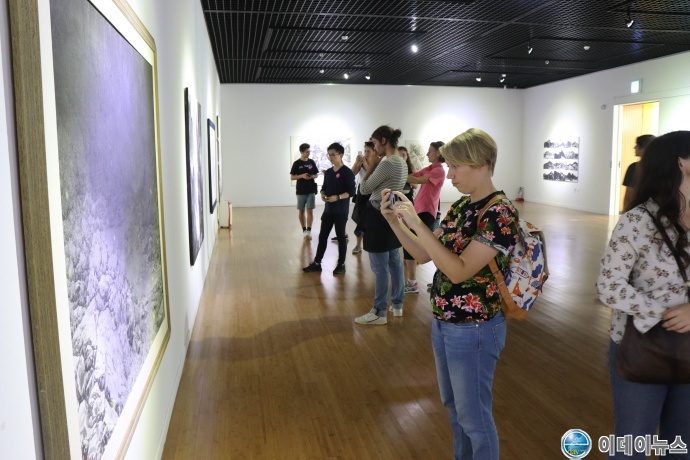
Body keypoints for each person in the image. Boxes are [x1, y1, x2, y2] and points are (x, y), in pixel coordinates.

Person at [381, 128, 519, 459]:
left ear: (482, 163)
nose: (450, 174)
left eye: (456, 166)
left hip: (475, 327)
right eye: (449, 165)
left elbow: (458, 270)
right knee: (455, 407)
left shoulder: (500, 212)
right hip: (445, 321)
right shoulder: (461, 207)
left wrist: (417, 221)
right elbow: (423, 254)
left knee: (474, 417)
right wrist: (395, 222)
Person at [597, 131, 690, 460]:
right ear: (681, 163)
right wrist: (662, 313)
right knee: (632, 444)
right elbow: (609, 284)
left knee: (682, 445)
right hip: (641, 346)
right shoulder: (636, 221)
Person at [354, 126, 408, 324]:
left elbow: (365, 188)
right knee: (394, 261)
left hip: (378, 215)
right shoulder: (401, 162)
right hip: (390, 213)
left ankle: (379, 312)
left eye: (375, 143)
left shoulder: (387, 163)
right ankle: (397, 305)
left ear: (383, 141)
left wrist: (371, 167)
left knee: (380, 267)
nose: (374, 148)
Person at [303, 143, 356, 275]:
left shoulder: (347, 173)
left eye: (333, 155)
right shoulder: (329, 173)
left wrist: (337, 197)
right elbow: (324, 188)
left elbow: (351, 192)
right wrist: (322, 194)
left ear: (341, 155)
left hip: (341, 211)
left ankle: (341, 264)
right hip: (328, 211)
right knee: (323, 236)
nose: (330, 157)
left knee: (341, 237)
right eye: (329, 155)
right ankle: (317, 263)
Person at [402, 141, 446, 294]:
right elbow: (414, 176)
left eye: (430, 151)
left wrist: (397, 175)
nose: (427, 154)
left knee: (423, 247)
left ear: (438, 153)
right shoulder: (430, 168)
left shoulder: (439, 171)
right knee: (414, 246)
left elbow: (417, 180)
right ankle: (417, 281)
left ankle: (414, 283)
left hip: (427, 212)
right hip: (419, 211)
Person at [350, 142, 379, 254]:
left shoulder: (377, 162)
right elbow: (352, 174)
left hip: (373, 192)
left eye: (368, 151)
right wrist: (357, 162)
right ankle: (358, 244)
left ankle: (372, 242)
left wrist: (365, 163)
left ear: (374, 152)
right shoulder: (362, 162)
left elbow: (372, 174)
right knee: (359, 217)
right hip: (362, 192)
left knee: (372, 218)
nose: (366, 153)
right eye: (365, 151)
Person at [290, 143, 318, 239]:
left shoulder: (311, 162)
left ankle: (309, 231)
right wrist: (302, 176)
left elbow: (316, 174)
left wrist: (312, 177)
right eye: (306, 152)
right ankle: (304, 230)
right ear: (301, 152)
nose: (308, 153)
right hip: (301, 190)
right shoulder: (296, 163)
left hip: (311, 190)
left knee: (309, 210)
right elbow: (292, 177)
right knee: (301, 210)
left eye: (309, 151)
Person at [622, 134, 656, 211]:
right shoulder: (663, 167)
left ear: (644, 148)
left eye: (637, 144)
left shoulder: (634, 168)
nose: (634, 147)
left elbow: (629, 198)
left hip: (638, 211)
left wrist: (625, 214)